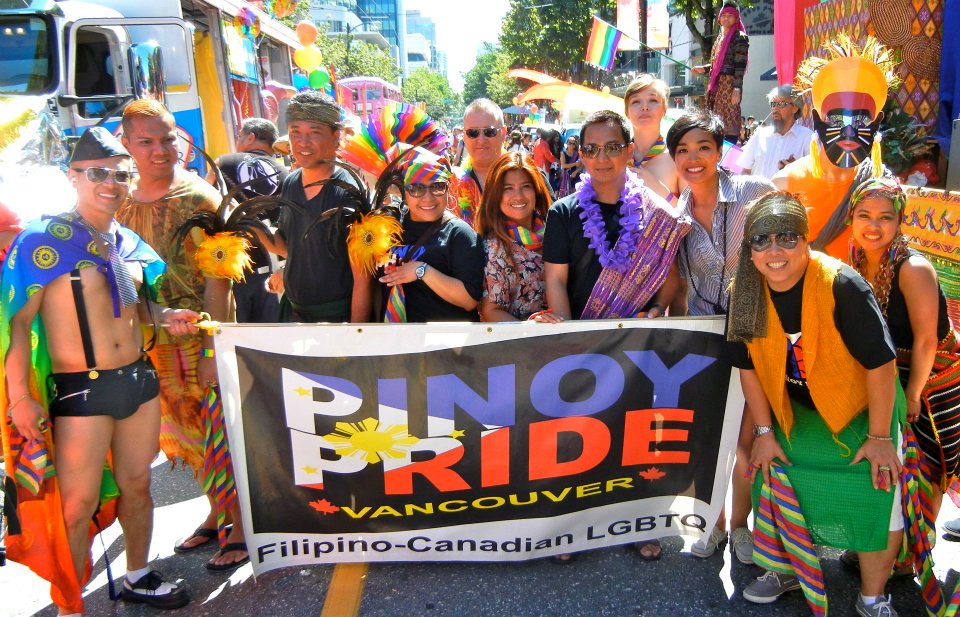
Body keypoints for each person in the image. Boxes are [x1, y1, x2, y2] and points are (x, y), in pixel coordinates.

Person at [2, 128, 199, 614]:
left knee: (137, 484)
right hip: (78, 392)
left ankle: (137, 575)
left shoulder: (126, 241)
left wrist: (166, 318)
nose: (111, 183)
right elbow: (14, 325)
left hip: (136, 381)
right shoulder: (40, 242)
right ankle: (71, 605)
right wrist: (19, 398)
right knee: (76, 504)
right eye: (98, 174)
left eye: (120, 174)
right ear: (73, 178)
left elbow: (138, 310)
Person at [727, 192, 919, 617]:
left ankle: (872, 597)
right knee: (770, 472)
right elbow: (750, 370)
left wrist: (881, 437)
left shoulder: (842, 285)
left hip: (866, 408)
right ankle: (787, 569)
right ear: (749, 248)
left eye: (786, 237)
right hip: (796, 409)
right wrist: (763, 432)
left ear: (806, 241)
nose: (774, 251)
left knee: (879, 487)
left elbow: (882, 366)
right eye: (761, 240)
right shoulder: (744, 290)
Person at [115, 100, 244, 571]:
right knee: (185, 438)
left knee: (219, 433)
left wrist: (213, 346)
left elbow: (219, 282)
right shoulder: (119, 199)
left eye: (167, 138)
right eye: (145, 141)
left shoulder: (201, 198)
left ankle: (240, 526)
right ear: (126, 145)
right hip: (146, 343)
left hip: (196, 340)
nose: (158, 150)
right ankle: (216, 513)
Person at [666, 109, 775, 562]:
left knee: (747, 440)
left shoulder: (757, 192)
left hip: (756, 334)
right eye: (683, 151)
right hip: (707, 336)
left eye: (703, 148)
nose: (694, 159)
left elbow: (790, 257)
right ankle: (710, 524)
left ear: (719, 150)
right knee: (709, 441)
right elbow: (678, 283)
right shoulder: (676, 217)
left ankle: (739, 527)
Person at [846, 177, 960, 537]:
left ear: (899, 222)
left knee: (927, 463)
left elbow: (927, 341)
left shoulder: (913, 269)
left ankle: (917, 549)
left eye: (885, 217)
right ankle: (887, 540)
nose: (874, 226)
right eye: (864, 215)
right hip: (890, 374)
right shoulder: (856, 259)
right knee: (894, 461)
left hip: (933, 378)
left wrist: (912, 394)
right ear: (851, 219)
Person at [773, 34, 894, 259]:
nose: (849, 132)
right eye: (837, 120)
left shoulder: (882, 185)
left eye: (861, 121)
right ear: (818, 120)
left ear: (876, 123)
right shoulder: (784, 185)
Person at [258, 91, 371, 323]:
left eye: (314, 133)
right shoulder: (291, 182)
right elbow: (294, 248)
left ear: (336, 136)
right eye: (295, 133)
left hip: (337, 320)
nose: (303, 143)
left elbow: (363, 277)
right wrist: (255, 229)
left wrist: (358, 335)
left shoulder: (347, 192)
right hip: (296, 313)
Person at [376, 147, 485, 322]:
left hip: (444, 342)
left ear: (448, 189)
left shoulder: (460, 234)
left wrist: (422, 271)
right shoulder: (390, 227)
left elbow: (469, 300)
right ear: (405, 192)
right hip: (396, 340)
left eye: (437, 187)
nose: (428, 197)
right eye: (416, 188)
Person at [205, 117, 288, 323]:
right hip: (273, 267)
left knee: (234, 337)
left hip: (230, 265)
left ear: (250, 137)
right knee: (269, 341)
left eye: (240, 134)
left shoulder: (223, 162)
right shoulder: (286, 173)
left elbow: (204, 200)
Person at [476, 152, 552, 321]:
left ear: (537, 190)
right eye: (507, 188)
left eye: (526, 186)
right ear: (495, 195)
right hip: (520, 342)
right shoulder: (495, 247)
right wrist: (528, 331)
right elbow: (490, 311)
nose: (518, 196)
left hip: (562, 334)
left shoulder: (554, 233)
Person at [692, 2, 749, 143]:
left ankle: (727, 157)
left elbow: (739, 66)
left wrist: (736, 89)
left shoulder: (739, 37)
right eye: (724, 15)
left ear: (736, 19)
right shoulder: (720, 37)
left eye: (730, 16)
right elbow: (716, 64)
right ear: (719, 18)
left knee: (729, 120)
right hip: (716, 84)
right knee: (714, 121)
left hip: (729, 85)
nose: (726, 19)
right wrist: (704, 69)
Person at [625, 74, 681, 204]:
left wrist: (657, 188)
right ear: (627, 111)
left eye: (653, 100)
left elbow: (691, 219)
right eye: (636, 101)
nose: (644, 107)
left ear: (664, 109)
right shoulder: (616, 158)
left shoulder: (678, 160)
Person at [738, 85, 813, 180]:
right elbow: (745, 171)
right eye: (773, 104)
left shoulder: (807, 138)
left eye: (781, 104)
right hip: (757, 194)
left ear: (795, 108)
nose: (775, 109)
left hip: (787, 194)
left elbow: (815, 176)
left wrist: (796, 171)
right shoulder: (760, 135)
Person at [455, 99, 507, 227]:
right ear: (464, 135)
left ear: (503, 133)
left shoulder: (526, 175)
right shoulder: (451, 183)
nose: (481, 140)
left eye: (489, 132)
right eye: (473, 133)